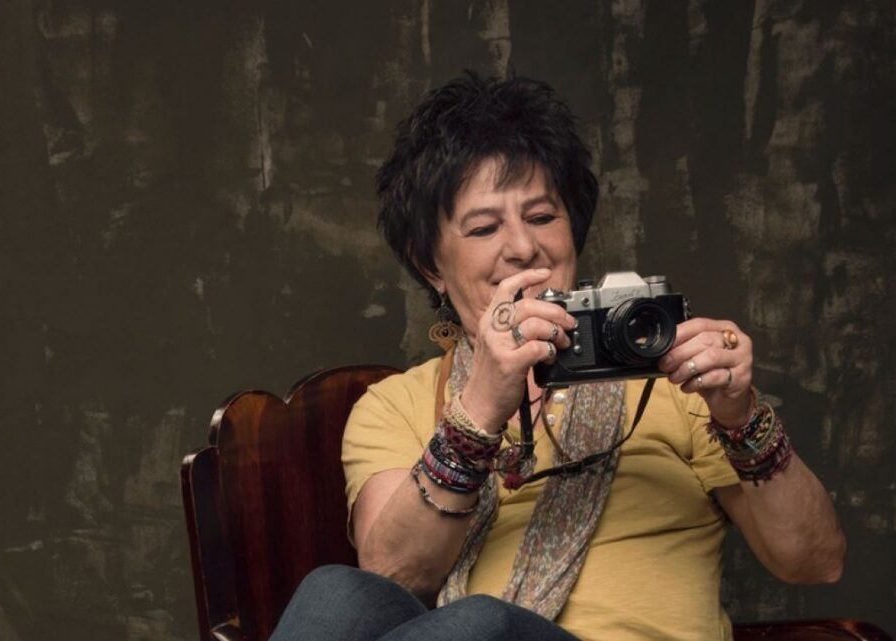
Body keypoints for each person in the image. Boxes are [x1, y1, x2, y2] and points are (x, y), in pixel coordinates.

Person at [269, 73, 845, 641]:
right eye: (484, 228)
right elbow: (394, 578)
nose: (524, 248)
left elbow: (814, 561)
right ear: (430, 264)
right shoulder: (396, 406)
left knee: (482, 622)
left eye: (543, 217)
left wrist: (741, 417)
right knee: (335, 592)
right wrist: (481, 410)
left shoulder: (675, 379)